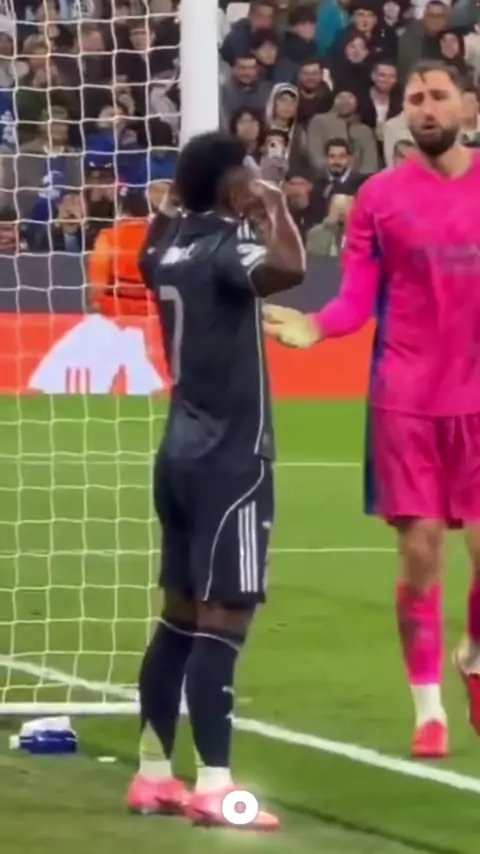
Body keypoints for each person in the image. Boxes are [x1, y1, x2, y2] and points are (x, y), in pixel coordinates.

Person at [263, 60, 480, 760]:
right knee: (421, 555)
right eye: (415, 98)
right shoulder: (379, 198)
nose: (426, 107)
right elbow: (357, 298)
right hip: (405, 400)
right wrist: (317, 326)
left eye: (438, 96)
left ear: (468, 107)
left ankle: (474, 655)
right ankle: (428, 709)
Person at [127, 131, 305, 827]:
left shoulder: (166, 250)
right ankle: (214, 786)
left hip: (177, 454)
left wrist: (185, 198)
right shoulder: (227, 251)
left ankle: (152, 776)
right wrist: (273, 203)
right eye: (248, 169)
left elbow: (148, 250)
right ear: (231, 182)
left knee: (176, 619)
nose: (257, 176)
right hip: (232, 460)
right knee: (221, 622)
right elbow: (288, 267)